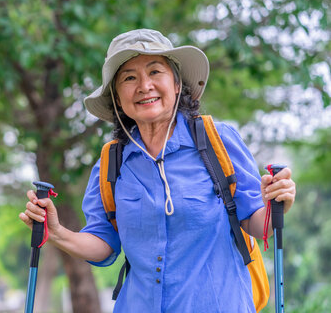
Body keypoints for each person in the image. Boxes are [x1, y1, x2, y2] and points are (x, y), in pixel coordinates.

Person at [19, 29, 296, 312]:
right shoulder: (110, 162)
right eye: (129, 77)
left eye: (155, 71)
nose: (144, 85)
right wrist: (56, 232)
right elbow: (104, 244)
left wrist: (275, 203)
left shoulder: (218, 142)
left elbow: (255, 222)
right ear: (117, 97)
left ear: (177, 84)